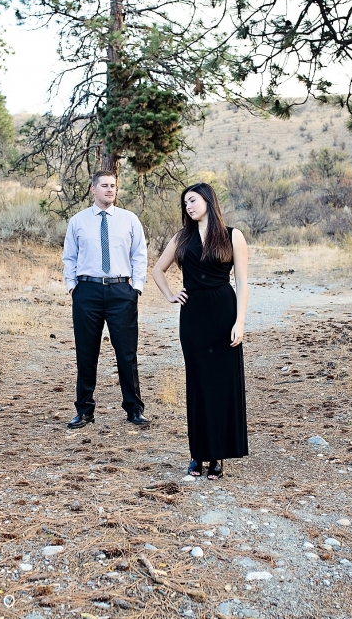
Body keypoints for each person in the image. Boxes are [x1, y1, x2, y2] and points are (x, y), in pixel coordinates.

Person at [151, 183, 249, 479]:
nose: (188, 207)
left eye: (192, 200)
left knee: (222, 384)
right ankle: (197, 454)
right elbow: (157, 270)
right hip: (193, 316)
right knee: (198, 384)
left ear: (207, 199)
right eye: (185, 204)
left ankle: (217, 455)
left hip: (223, 312)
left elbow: (243, 282)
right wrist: (170, 294)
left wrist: (240, 322)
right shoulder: (182, 237)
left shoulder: (233, 235)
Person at [62, 170, 149, 429]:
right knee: (86, 353)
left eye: (113, 186)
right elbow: (69, 257)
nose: (110, 190)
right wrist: (72, 288)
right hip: (86, 292)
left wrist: (137, 288)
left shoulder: (129, 220)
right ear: (93, 189)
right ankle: (85, 410)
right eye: (104, 186)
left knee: (126, 352)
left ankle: (134, 409)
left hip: (121, 292)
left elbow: (139, 255)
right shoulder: (78, 221)